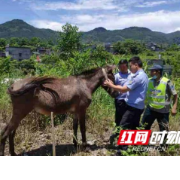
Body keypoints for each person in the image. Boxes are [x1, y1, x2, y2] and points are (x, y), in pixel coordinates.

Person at [105, 57, 149, 131]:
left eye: (130, 65)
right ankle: (134, 142)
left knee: (123, 126)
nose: (130, 68)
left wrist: (110, 85)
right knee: (133, 126)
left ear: (136, 65)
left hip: (133, 107)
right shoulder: (143, 75)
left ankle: (123, 142)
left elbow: (124, 90)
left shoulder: (137, 77)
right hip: (137, 106)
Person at [142, 65, 178, 131]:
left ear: (158, 72)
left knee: (164, 131)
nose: (150, 73)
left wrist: (174, 107)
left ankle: (163, 141)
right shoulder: (149, 80)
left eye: (152, 71)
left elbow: (175, 94)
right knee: (143, 127)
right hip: (150, 109)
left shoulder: (168, 82)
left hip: (163, 111)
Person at [110, 60, 131, 144]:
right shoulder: (117, 76)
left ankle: (127, 136)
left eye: (124, 66)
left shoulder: (132, 75)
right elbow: (113, 87)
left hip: (130, 101)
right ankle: (118, 135)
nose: (122, 68)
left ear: (127, 66)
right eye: (120, 67)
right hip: (120, 101)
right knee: (119, 119)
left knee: (128, 119)